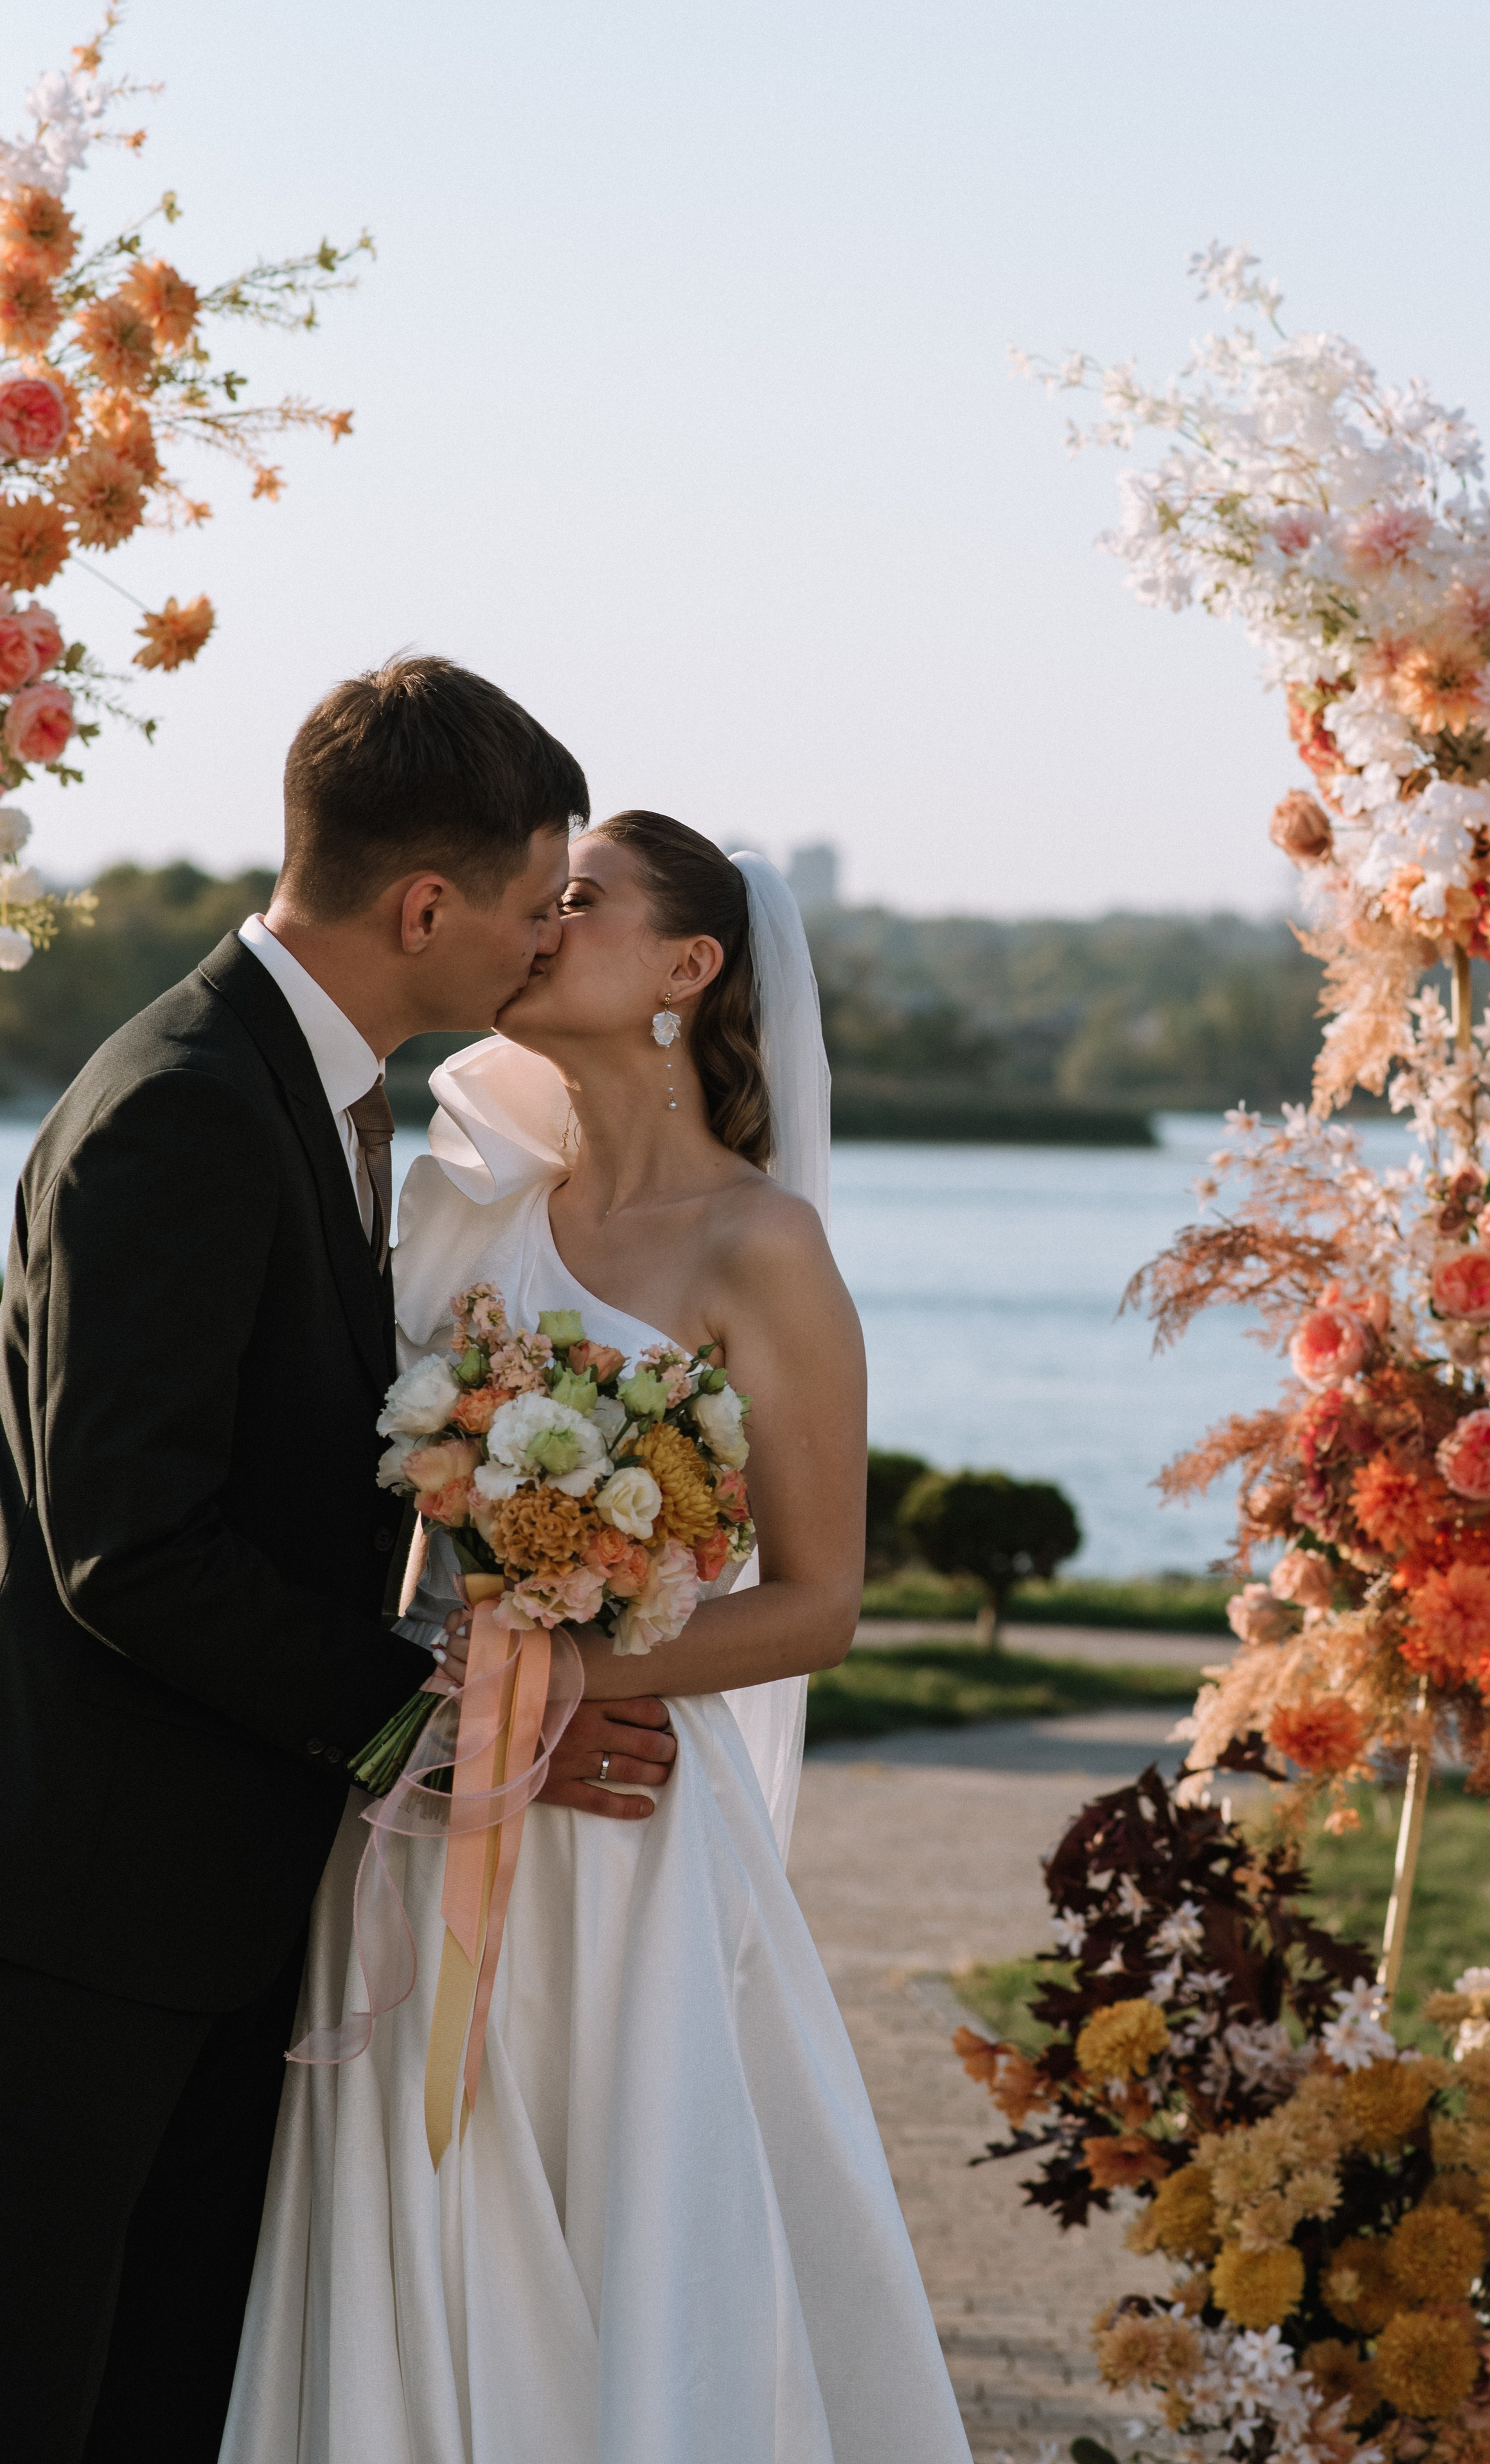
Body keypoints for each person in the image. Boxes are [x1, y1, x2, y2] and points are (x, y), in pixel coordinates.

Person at [223, 813, 971, 2461]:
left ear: (687, 970)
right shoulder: (464, 1210)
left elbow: (818, 1600)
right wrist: (448, 1708)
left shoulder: (758, 1244)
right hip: (420, 1802)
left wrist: (551, 1685)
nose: (535, 922)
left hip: (619, 1824)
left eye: (579, 900)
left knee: (624, 2224)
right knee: (408, 2217)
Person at [0, 659, 682, 2464]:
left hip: (208, 1900)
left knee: (158, 2398)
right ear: (426, 904)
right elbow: (129, 1547)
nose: (545, 947)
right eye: (539, 908)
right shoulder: (183, 1109)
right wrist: (429, 1731)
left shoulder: (314, 1093)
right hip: (86, 1917)